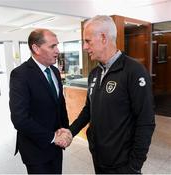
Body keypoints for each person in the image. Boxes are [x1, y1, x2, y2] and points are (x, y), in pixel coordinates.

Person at [57, 15, 155, 174]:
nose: (84, 47)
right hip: (99, 157)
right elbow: (89, 110)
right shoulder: (94, 73)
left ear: (103, 38)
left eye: (87, 41)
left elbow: (146, 121)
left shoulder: (134, 71)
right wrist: (71, 131)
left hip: (123, 164)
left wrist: (135, 166)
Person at [9, 29, 72, 174]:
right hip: (36, 150)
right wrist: (53, 137)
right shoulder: (20, 75)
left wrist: (66, 131)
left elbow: (60, 105)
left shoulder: (55, 72)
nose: (57, 50)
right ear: (36, 48)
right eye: (52, 46)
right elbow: (19, 119)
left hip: (57, 146)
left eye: (57, 45)